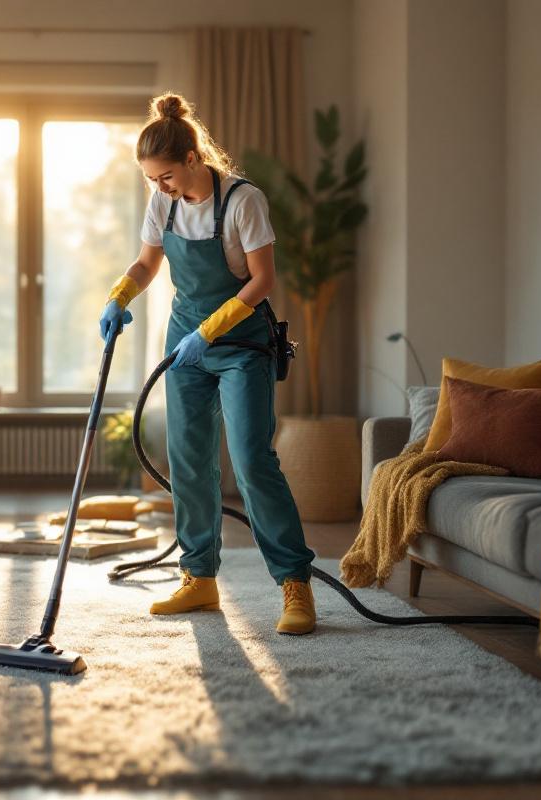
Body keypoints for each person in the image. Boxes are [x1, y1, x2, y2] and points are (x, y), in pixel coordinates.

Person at [99, 92, 317, 635]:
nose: (160, 188)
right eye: (152, 180)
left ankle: (295, 584)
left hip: (241, 344)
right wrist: (119, 296)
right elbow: (148, 263)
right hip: (185, 344)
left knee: (250, 459)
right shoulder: (162, 204)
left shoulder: (244, 201)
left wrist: (211, 332)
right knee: (189, 460)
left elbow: (263, 280)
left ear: (193, 159)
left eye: (166, 176)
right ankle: (199, 579)